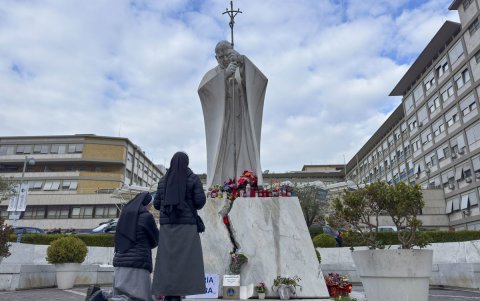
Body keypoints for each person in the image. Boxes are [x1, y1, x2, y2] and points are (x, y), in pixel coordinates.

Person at [198, 40, 268, 188]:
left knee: (244, 147)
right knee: (225, 150)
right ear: (216, 58)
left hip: (242, 118)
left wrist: (242, 62)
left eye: (227, 55)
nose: (224, 59)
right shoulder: (212, 74)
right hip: (224, 120)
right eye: (220, 57)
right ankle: (224, 183)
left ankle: (246, 181)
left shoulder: (240, 68)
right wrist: (223, 76)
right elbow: (204, 91)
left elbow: (259, 81)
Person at [151, 152, 206, 301]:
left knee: (167, 262)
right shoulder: (193, 179)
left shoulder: (163, 180)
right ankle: (180, 294)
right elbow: (200, 202)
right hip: (187, 227)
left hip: (167, 227)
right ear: (187, 163)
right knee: (186, 262)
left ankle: (169, 294)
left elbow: (156, 204)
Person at [87, 192, 159, 301]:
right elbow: (156, 239)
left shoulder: (124, 216)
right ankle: (103, 298)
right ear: (146, 204)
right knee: (139, 298)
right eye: (150, 204)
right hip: (137, 265)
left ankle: (100, 295)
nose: (151, 207)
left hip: (120, 263)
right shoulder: (146, 217)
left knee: (121, 295)